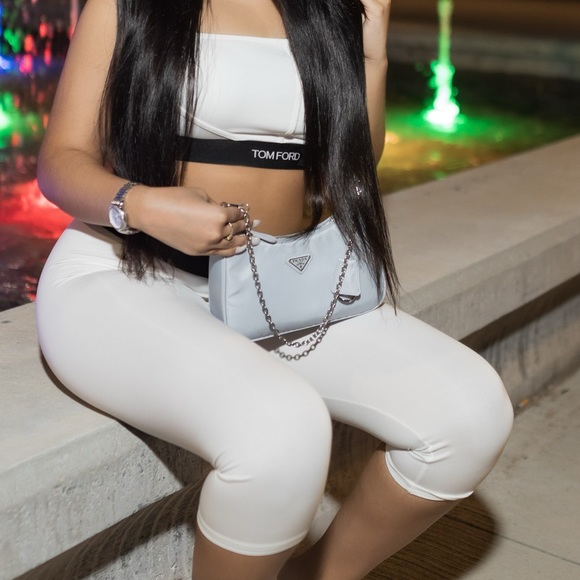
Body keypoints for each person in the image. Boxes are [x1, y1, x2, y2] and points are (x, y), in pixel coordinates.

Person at [35, 0, 514, 578]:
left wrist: (371, 55)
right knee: (283, 434)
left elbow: (347, 168)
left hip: (274, 287)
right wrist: (141, 205)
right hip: (127, 274)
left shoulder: (325, 7)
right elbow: (60, 163)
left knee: (470, 414)